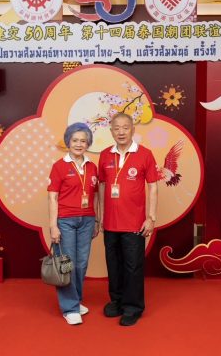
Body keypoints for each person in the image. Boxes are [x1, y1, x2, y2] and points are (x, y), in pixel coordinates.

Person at [98, 112, 158, 326]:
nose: (121, 132)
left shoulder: (145, 154)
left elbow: (153, 187)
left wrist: (151, 217)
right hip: (110, 222)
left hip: (134, 222)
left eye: (125, 127)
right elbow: (102, 186)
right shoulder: (105, 155)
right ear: (111, 131)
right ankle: (117, 301)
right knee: (113, 264)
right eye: (116, 128)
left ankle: (133, 307)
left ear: (132, 129)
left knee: (133, 266)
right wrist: (101, 216)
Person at [47, 122, 100, 325]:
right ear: (68, 142)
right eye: (75, 140)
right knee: (66, 264)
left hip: (87, 220)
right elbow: (52, 197)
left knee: (81, 263)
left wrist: (96, 220)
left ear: (88, 144)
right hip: (66, 221)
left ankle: (76, 300)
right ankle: (69, 308)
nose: (79, 144)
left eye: (83, 141)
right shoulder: (59, 167)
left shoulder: (92, 167)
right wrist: (53, 226)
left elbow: (96, 196)